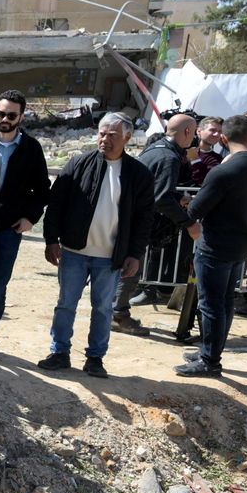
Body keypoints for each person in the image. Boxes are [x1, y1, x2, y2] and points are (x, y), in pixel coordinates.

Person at [38, 113, 153, 377]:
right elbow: (56, 205)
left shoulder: (138, 175)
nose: (105, 139)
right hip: (74, 252)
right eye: (102, 133)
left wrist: (135, 254)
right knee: (66, 304)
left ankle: (95, 358)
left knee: (103, 309)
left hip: (110, 257)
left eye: (112, 135)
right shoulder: (78, 164)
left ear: (126, 137)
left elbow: (143, 219)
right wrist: (51, 240)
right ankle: (59, 352)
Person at [0, 89, 51, 358]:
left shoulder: (31, 149)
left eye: (11, 115)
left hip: (7, 231)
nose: (4, 119)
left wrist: (31, 217)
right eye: (1, 113)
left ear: (21, 117)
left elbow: (42, 189)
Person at [175, 114, 247, 377]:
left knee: (211, 305)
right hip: (241, 247)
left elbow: (196, 209)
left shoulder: (223, 171)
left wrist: (185, 203)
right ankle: (210, 350)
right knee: (225, 302)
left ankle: (210, 360)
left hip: (215, 247)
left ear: (224, 138)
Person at [112, 113, 198, 321]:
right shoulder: (169, 158)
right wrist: (189, 223)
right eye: (194, 133)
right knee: (131, 268)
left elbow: (155, 189)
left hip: (128, 216)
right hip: (138, 221)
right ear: (187, 132)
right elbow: (161, 198)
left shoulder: (155, 149)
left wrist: (179, 197)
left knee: (128, 267)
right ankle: (118, 314)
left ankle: (115, 311)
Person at [190, 116, 226, 184]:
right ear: (199, 131)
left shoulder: (219, 158)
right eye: (212, 130)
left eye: (220, 131)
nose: (217, 134)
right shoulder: (187, 153)